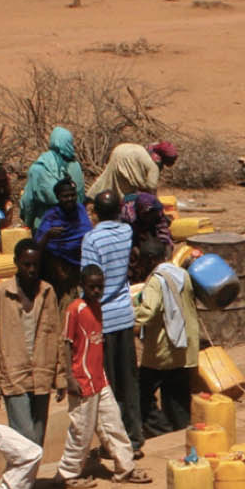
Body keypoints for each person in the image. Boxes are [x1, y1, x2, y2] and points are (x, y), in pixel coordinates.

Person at [0, 238, 68, 489]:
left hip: (41, 373)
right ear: (17, 264)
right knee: (23, 441)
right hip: (13, 373)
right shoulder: (0, 294)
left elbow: (56, 336)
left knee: (37, 440)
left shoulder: (48, 292)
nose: (32, 270)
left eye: (36, 265)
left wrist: (60, 376)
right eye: (26, 264)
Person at [58, 263, 151, 489]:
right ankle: (69, 473)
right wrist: (68, 377)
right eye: (92, 287)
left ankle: (125, 467)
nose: (97, 292)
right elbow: (65, 345)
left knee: (113, 424)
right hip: (82, 380)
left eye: (100, 287)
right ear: (82, 286)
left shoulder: (97, 308)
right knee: (82, 430)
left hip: (99, 378)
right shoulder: (75, 309)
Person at [81, 189, 142, 453]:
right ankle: (134, 438)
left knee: (108, 387)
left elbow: (89, 280)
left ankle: (115, 444)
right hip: (124, 315)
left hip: (102, 319)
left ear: (96, 212)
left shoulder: (91, 239)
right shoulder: (127, 233)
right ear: (119, 209)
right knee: (129, 381)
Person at [134, 236, 201, 438]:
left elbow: (148, 311)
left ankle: (162, 431)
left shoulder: (156, 280)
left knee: (141, 394)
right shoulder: (182, 273)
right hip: (185, 346)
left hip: (163, 350)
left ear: (151, 259)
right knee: (177, 398)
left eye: (143, 260)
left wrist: (126, 313)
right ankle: (181, 435)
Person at [19, 126, 86, 233]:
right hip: (74, 224)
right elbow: (81, 197)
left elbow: (28, 202)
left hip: (45, 227)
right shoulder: (75, 165)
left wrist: (27, 224)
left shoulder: (38, 168)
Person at [34, 178, 92, 296]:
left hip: (81, 264)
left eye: (72, 195)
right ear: (58, 197)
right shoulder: (52, 217)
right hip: (60, 270)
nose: (70, 199)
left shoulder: (80, 210)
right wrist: (48, 235)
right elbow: (38, 247)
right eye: (65, 196)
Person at [90, 140, 174, 198]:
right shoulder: (154, 167)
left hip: (121, 149)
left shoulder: (144, 151)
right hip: (126, 158)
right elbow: (151, 187)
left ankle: (90, 197)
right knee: (123, 192)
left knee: (106, 179)